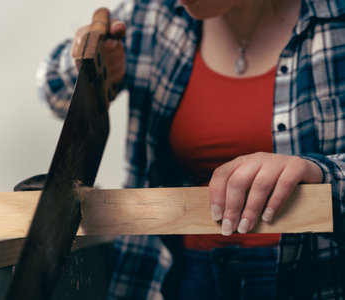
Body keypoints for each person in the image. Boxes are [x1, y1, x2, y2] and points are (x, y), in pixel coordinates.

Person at [38, 0, 345, 298]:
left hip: (313, 273)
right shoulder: (152, 15)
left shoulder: (335, 23)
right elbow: (51, 90)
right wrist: (89, 61)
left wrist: (321, 173)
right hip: (177, 278)